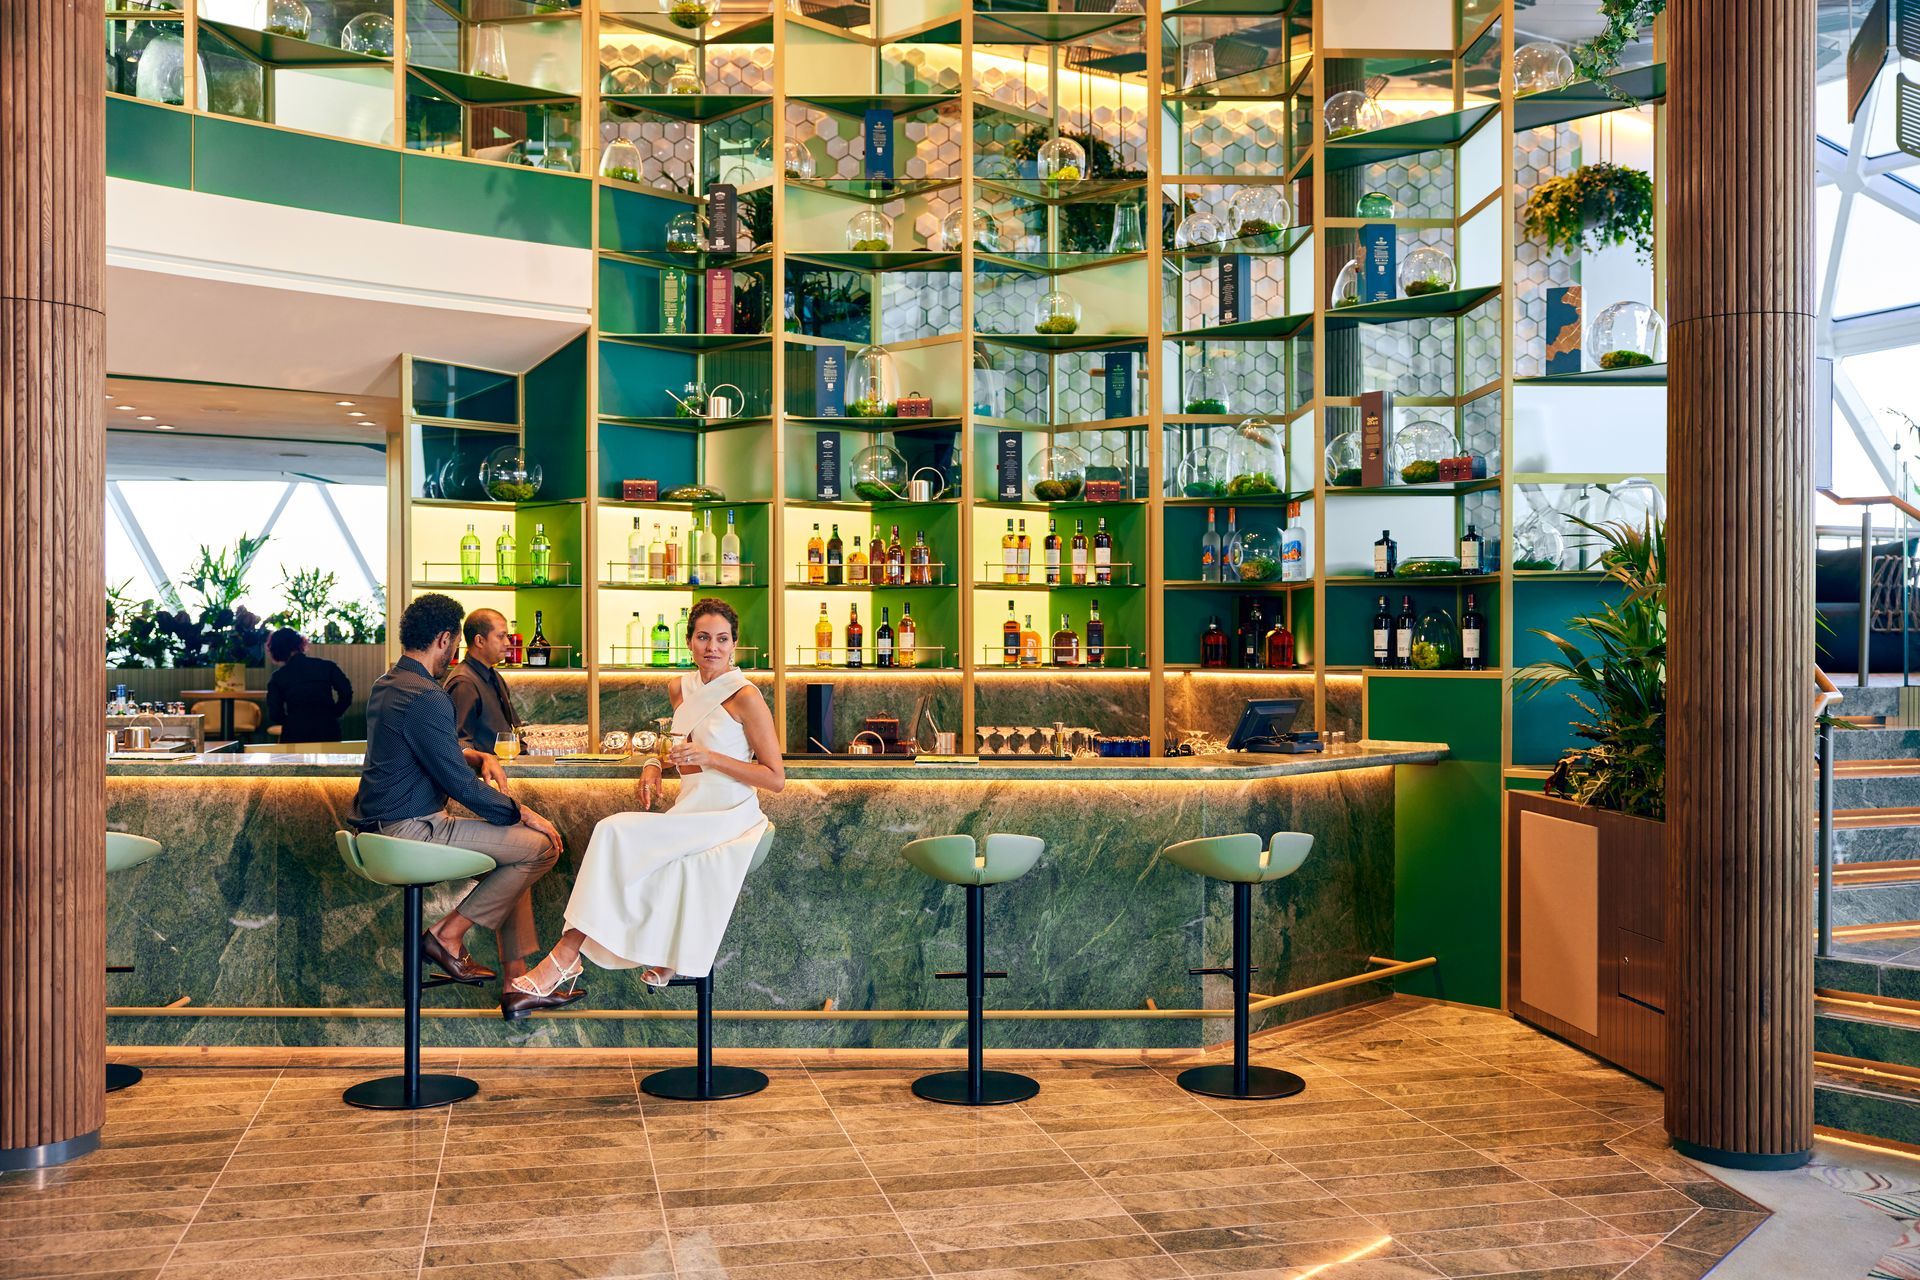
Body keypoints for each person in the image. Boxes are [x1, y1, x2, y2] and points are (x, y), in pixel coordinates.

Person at [512, 598, 781, 1004]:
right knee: (615, 835)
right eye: (703, 637)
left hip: (729, 813)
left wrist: (711, 758)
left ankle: (566, 955)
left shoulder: (746, 696)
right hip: (689, 809)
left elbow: (774, 778)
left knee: (613, 832)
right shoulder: (680, 689)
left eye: (722, 639)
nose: (712, 647)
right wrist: (654, 763)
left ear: (735, 644)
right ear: (688, 641)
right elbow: (680, 748)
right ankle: (621, 952)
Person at [350, 593, 580, 1020]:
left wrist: (474, 755)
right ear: (444, 639)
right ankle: (446, 936)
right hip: (413, 830)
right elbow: (459, 786)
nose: (453, 653)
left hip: (378, 829)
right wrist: (523, 812)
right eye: (454, 642)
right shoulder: (429, 695)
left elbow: (424, 749)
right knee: (540, 847)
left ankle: (515, 984)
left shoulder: (388, 684)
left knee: (511, 862)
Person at [445, 608, 520, 753]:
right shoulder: (464, 683)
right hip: (483, 768)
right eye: (501, 636)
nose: (507, 642)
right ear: (479, 641)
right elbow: (458, 744)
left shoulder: (494, 676)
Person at [264, 628, 353, 745]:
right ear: (300, 643)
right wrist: (333, 714)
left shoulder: (278, 677)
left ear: (276, 650)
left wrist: (290, 722)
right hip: (327, 729)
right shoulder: (327, 666)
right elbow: (346, 692)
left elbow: (275, 713)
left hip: (295, 733)